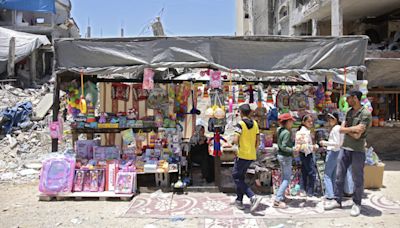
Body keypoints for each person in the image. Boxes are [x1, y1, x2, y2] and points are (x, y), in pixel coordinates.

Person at [324, 90, 372, 217]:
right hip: (345, 148)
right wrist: (351, 130)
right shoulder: (349, 112)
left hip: (358, 150)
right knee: (340, 176)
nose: (346, 101)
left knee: (357, 178)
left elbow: (357, 136)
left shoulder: (365, 114)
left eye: (349, 98)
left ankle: (357, 203)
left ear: (355, 98)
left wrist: (346, 130)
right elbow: (341, 129)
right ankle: (337, 200)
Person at [232, 103, 262, 212]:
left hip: (242, 154)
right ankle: (239, 200)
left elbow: (235, 139)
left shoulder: (240, 124)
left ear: (240, 112)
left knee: (235, 176)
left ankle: (252, 196)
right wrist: (253, 148)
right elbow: (258, 140)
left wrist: (233, 143)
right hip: (251, 155)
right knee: (240, 177)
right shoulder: (255, 124)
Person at [320, 112, 353, 200]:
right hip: (338, 152)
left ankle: (329, 194)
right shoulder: (339, 128)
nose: (330, 120)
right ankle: (334, 192)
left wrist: (324, 143)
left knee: (327, 175)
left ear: (336, 119)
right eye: (329, 119)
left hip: (333, 152)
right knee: (334, 174)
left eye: (332, 118)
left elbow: (336, 143)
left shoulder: (335, 129)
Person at [273, 113, 296, 209]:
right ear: (286, 122)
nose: (292, 123)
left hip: (281, 156)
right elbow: (283, 146)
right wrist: (293, 150)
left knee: (283, 177)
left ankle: (282, 196)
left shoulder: (280, 130)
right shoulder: (286, 132)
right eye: (291, 121)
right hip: (285, 157)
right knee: (287, 178)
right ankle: (277, 200)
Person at [296, 114, 319, 197]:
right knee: (312, 172)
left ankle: (303, 189)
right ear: (304, 122)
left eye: (311, 121)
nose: (311, 123)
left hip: (305, 153)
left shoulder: (305, 131)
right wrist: (313, 147)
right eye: (309, 121)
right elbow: (303, 145)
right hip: (306, 154)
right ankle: (310, 191)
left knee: (305, 172)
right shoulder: (303, 132)